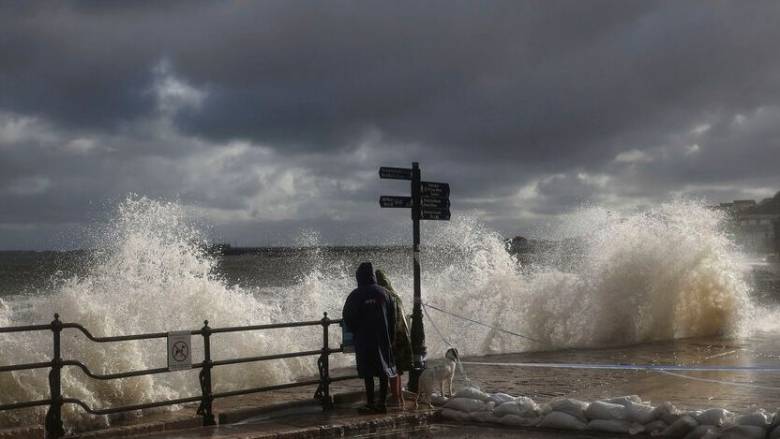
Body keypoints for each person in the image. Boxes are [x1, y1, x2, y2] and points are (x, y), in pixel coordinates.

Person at [342, 262, 397, 413]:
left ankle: (370, 403)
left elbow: (347, 316)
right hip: (383, 338)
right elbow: (393, 317)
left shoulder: (355, 294)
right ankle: (382, 403)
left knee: (368, 373)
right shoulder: (385, 293)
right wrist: (391, 336)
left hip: (364, 340)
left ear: (359, 276)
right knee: (383, 370)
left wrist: (356, 331)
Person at [375, 269, 413, 408]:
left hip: (393, 336)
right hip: (403, 335)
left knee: (391, 368)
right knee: (397, 369)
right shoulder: (396, 295)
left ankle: (396, 398)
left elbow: (388, 318)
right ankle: (400, 397)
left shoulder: (384, 295)